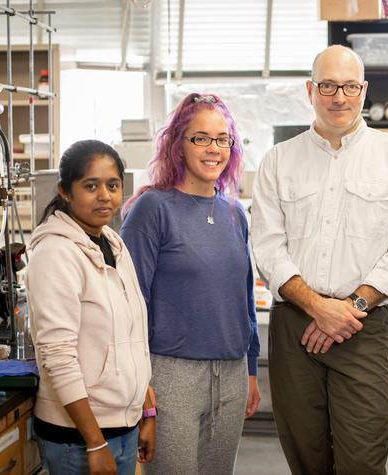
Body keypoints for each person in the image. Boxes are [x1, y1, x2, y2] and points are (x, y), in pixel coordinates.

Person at [250, 45, 388, 474]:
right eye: (328, 85)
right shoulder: (278, 161)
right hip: (296, 328)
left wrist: (349, 309)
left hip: (362, 329)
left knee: (362, 461)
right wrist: (317, 308)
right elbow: (268, 247)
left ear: (364, 90)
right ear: (310, 90)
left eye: (349, 86)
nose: (338, 97)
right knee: (306, 459)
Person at [120, 93, 261, 475]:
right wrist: (141, 385)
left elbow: (243, 299)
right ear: (177, 143)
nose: (213, 149)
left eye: (222, 139)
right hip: (170, 376)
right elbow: (130, 304)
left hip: (231, 376)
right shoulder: (152, 209)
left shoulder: (235, 213)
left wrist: (250, 369)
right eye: (201, 138)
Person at [26, 140, 155, 475]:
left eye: (112, 186)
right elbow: (57, 355)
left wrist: (146, 412)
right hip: (78, 439)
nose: (104, 196)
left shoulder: (112, 243)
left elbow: (131, 339)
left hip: (121, 426)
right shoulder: (56, 252)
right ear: (65, 191)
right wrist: (95, 443)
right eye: (90, 186)